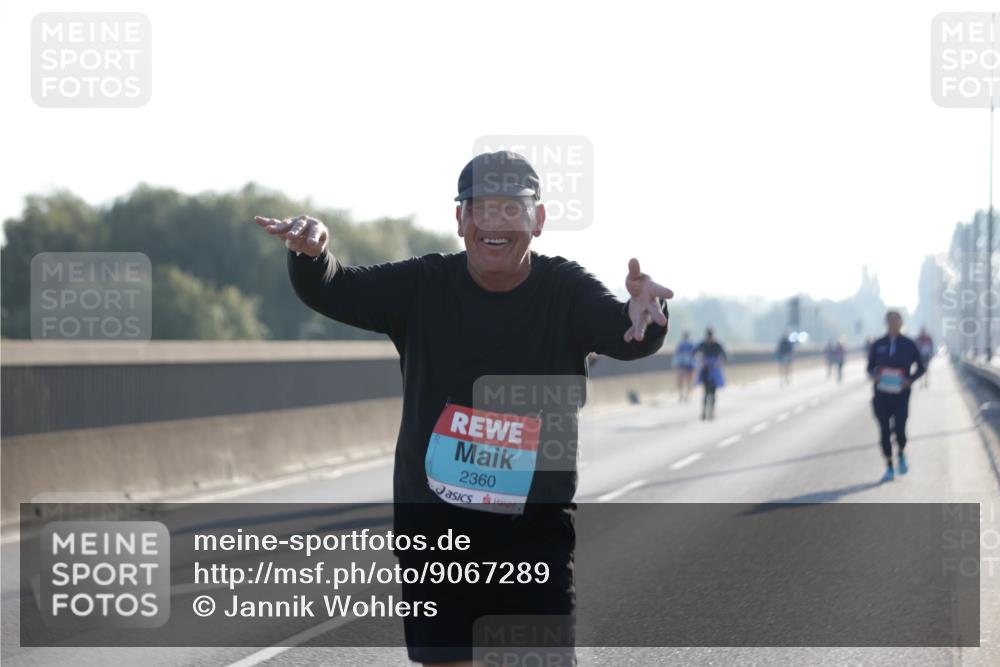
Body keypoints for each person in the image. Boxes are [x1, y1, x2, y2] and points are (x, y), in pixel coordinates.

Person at [255, 150, 673, 666]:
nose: (494, 223)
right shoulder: (422, 286)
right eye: (481, 208)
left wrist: (648, 317)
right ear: (460, 219)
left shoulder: (564, 290)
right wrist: (310, 253)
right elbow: (335, 287)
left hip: (531, 535)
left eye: (511, 209)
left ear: (538, 220)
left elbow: (626, 332)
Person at [866, 310, 926, 482]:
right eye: (890, 321)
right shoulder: (878, 344)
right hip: (881, 395)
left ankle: (901, 453)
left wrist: (910, 379)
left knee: (900, 429)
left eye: (896, 321)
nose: (893, 324)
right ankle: (889, 467)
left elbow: (921, 367)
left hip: (901, 395)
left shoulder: (909, 344)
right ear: (886, 322)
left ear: (901, 323)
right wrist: (874, 375)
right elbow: (869, 367)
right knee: (884, 430)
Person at [694, 328, 727, 420]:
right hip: (705, 369)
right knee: (705, 392)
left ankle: (711, 411)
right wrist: (700, 361)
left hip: (715, 370)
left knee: (713, 392)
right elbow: (693, 352)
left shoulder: (718, 344)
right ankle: (704, 412)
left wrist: (718, 363)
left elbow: (725, 356)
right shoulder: (702, 344)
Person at [673, 331, 697, 402]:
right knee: (680, 380)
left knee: (689, 381)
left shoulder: (691, 344)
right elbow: (677, 354)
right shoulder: (680, 344)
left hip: (689, 365)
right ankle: (681, 395)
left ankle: (688, 395)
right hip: (682, 364)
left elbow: (694, 354)